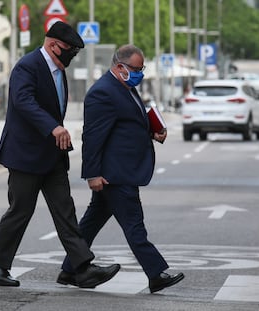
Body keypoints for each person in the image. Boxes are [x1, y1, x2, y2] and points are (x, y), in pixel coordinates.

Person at [0, 21, 120, 288]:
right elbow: (23, 101)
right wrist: (53, 127)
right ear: (53, 45)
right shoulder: (28, 65)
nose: (71, 56)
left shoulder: (58, 69)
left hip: (53, 156)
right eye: (68, 50)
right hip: (25, 155)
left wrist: (57, 132)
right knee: (20, 211)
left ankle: (82, 269)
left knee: (65, 211)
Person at [57, 44, 185, 293]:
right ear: (119, 67)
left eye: (142, 69)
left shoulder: (125, 88)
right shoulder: (103, 92)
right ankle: (156, 273)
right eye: (136, 69)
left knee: (91, 223)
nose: (140, 74)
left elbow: (126, 125)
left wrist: (152, 130)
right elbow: (92, 136)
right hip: (115, 173)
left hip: (119, 170)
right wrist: (92, 173)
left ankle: (69, 269)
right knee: (134, 224)